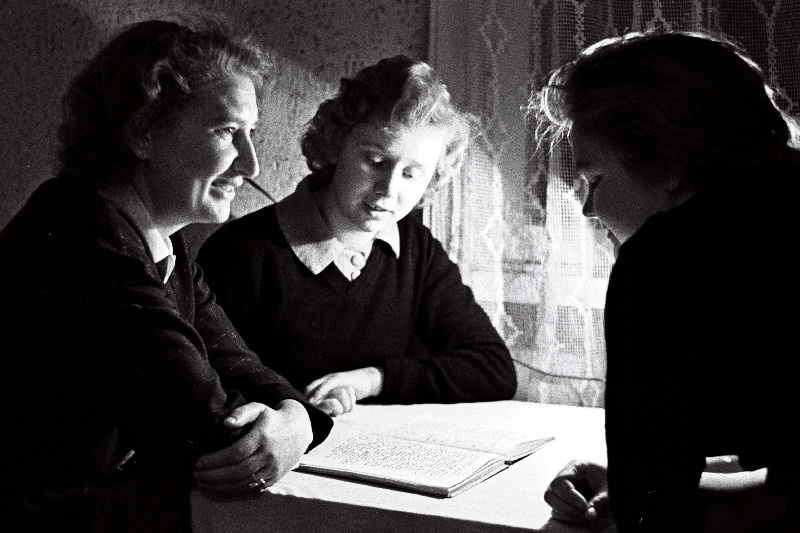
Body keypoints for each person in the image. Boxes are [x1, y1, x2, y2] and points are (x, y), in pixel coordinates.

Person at [0, 19, 333, 532]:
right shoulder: (81, 237)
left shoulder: (161, 240)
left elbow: (240, 365)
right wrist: (291, 425)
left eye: (252, 134)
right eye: (227, 132)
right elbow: (206, 427)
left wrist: (295, 419)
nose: (251, 165)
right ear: (144, 131)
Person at [528, 30, 799, 532]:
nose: (588, 209)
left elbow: (651, 515)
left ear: (669, 163)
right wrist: (635, 482)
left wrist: (639, 486)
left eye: (595, 179)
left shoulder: (665, 262)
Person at [197, 55, 517, 417]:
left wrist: (371, 380)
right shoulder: (240, 253)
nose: (388, 190)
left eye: (411, 174)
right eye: (375, 161)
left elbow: (494, 369)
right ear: (337, 146)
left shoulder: (416, 248)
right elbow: (208, 392)